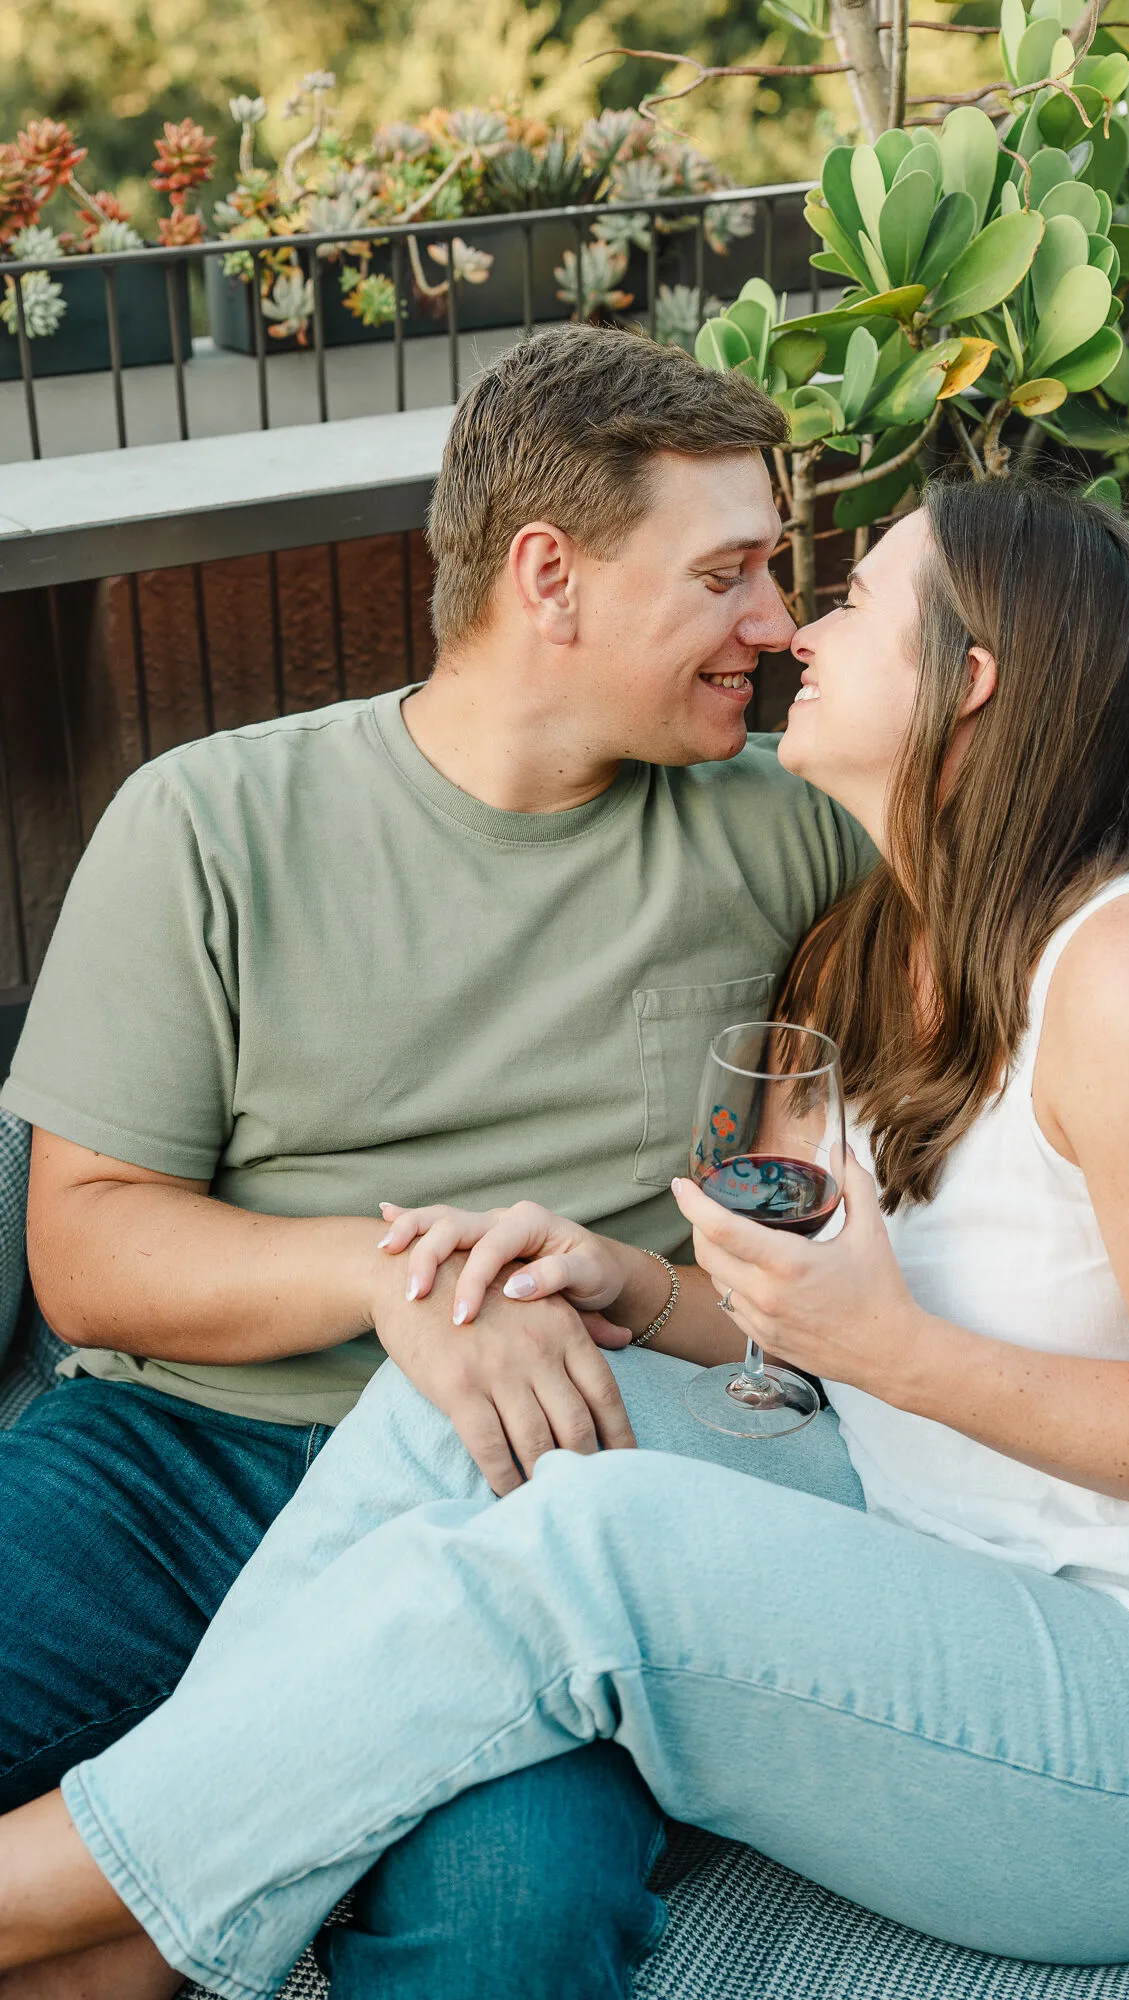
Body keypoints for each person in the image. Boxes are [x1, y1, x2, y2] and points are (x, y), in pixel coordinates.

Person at [5, 476, 1129, 1997]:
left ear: (970, 684)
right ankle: (131, 1952)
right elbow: (792, 1330)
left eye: (847, 600)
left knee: (591, 1537)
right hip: (919, 1545)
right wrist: (631, 1281)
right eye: (765, 582)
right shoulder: (878, 944)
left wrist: (887, 1349)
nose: (795, 634)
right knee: (483, 1414)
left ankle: (48, 1897)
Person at [0, 324, 882, 2000]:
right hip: (176, 1457)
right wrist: (399, 1284)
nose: (775, 623)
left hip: (533, 1503)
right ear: (550, 575)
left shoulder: (798, 836)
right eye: (734, 573)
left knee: (516, 1931)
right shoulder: (207, 822)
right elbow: (86, 1249)